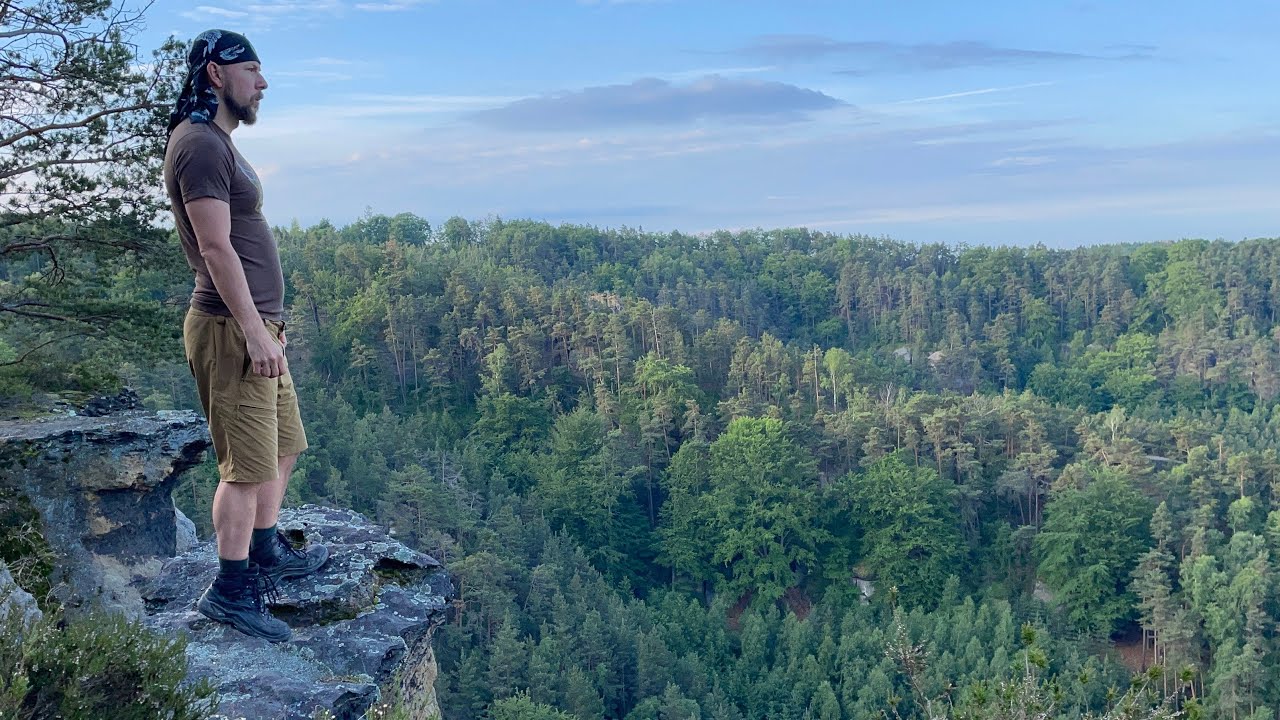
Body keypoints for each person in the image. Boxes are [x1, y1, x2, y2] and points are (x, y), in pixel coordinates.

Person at [164, 29, 328, 642]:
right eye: (253, 71)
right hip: (234, 329)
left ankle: (263, 549)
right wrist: (254, 332)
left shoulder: (216, 142)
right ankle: (229, 591)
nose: (262, 83)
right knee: (244, 467)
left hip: (257, 328)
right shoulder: (201, 146)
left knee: (284, 445)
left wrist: (265, 330)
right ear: (216, 75)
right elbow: (214, 245)